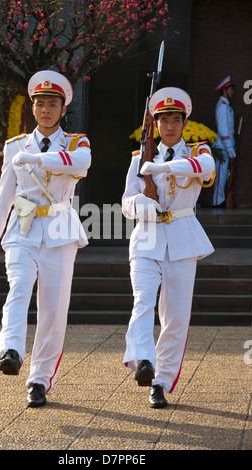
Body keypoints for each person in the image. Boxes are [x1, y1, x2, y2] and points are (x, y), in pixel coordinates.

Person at [0, 70, 91, 407]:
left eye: (52, 104)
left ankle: (39, 380)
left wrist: (39, 159)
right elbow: (4, 194)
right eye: (40, 104)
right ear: (33, 108)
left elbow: (81, 164)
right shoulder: (15, 146)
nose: (46, 110)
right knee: (18, 287)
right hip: (24, 226)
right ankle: (10, 350)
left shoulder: (76, 143)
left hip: (59, 229)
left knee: (53, 311)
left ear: (62, 109)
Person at [122, 87, 215, 408]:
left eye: (176, 120)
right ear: (155, 124)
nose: (171, 127)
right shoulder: (139, 157)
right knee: (143, 301)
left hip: (182, 238)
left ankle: (160, 383)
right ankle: (143, 360)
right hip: (147, 237)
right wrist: (143, 205)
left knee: (174, 317)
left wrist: (161, 169)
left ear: (185, 123)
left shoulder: (199, 153)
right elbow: (126, 203)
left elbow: (204, 171)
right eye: (164, 121)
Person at [212, 76, 236, 207]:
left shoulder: (226, 106)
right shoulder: (222, 106)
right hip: (222, 146)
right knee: (220, 175)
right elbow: (223, 129)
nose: (232, 92)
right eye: (231, 89)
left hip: (226, 145)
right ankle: (217, 201)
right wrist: (229, 147)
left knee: (224, 175)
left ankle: (219, 200)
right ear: (225, 90)